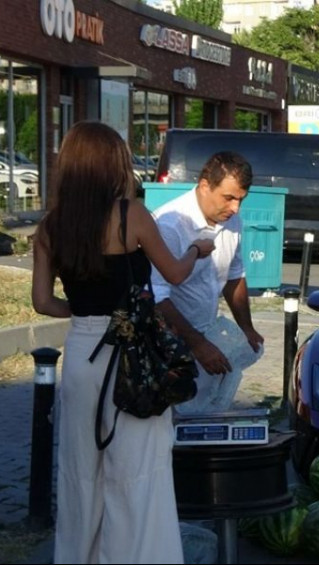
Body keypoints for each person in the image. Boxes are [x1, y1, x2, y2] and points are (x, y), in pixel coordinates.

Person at [31, 121, 215, 564]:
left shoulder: (51, 226)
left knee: (81, 471)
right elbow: (172, 273)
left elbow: (41, 302)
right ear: (112, 164)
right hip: (134, 357)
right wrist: (197, 250)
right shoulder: (128, 214)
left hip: (81, 353)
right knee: (137, 469)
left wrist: (86, 314)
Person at [151, 151, 264, 414]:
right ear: (204, 186)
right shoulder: (170, 224)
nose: (235, 208)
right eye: (229, 198)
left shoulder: (233, 220)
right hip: (166, 343)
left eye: (241, 200)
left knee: (200, 419)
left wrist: (246, 328)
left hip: (204, 334)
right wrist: (198, 345)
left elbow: (235, 276)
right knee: (169, 419)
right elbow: (156, 297)